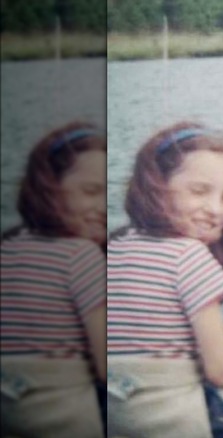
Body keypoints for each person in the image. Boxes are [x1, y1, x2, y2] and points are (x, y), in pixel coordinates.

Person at [106, 121, 223, 437]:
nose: (215, 209)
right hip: (172, 420)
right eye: (199, 191)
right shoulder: (188, 257)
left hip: (117, 414)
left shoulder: (111, 247)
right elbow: (222, 371)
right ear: (155, 185)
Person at [1, 121, 106, 437]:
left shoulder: (7, 247)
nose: (103, 207)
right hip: (66, 418)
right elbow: (106, 366)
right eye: (91, 192)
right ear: (48, 188)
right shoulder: (81, 257)